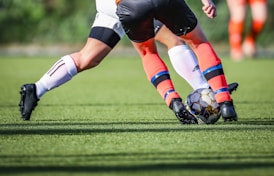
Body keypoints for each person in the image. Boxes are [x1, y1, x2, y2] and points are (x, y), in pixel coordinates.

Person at [19, 0, 238, 124]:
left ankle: (36, 88)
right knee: (173, 40)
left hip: (110, 4)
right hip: (126, 3)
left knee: (89, 58)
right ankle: (205, 89)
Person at [116, 0, 238, 122]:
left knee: (148, 52)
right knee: (198, 42)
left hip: (130, 5)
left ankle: (173, 100)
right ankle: (225, 102)